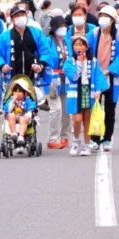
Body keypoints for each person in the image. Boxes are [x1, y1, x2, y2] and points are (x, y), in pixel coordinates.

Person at [0, 5, 58, 98]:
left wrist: (40, 64)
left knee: (31, 104)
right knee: (13, 105)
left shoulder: (36, 33)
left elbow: (46, 51)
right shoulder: (4, 37)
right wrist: (2, 65)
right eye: (17, 16)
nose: (20, 18)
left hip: (32, 77)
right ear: (12, 19)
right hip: (12, 78)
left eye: (22, 15)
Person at [87, 5, 119, 152]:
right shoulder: (93, 34)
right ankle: (94, 138)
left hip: (111, 77)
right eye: (101, 16)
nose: (102, 19)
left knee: (110, 109)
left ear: (112, 20)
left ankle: (107, 138)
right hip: (95, 76)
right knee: (94, 108)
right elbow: (87, 51)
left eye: (106, 16)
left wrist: (109, 70)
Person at [64, 36, 108, 156]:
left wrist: (98, 90)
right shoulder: (70, 61)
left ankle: (87, 145)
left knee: (87, 119)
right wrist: (79, 62)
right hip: (75, 93)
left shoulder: (93, 61)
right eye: (76, 45)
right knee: (77, 119)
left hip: (88, 91)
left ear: (86, 47)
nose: (78, 47)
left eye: (81, 44)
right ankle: (76, 141)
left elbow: (98, 76)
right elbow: (73, 76)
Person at [45, 16, 72, 150]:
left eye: (64, 26)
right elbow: (44, 58)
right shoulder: (48, 42)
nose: (63, 28)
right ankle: (53, 138)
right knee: (56, 108)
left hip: (67, 78)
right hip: (52, 78)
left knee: (67, 109)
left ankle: (65, 136)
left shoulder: (68, 41)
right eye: (61, 26)